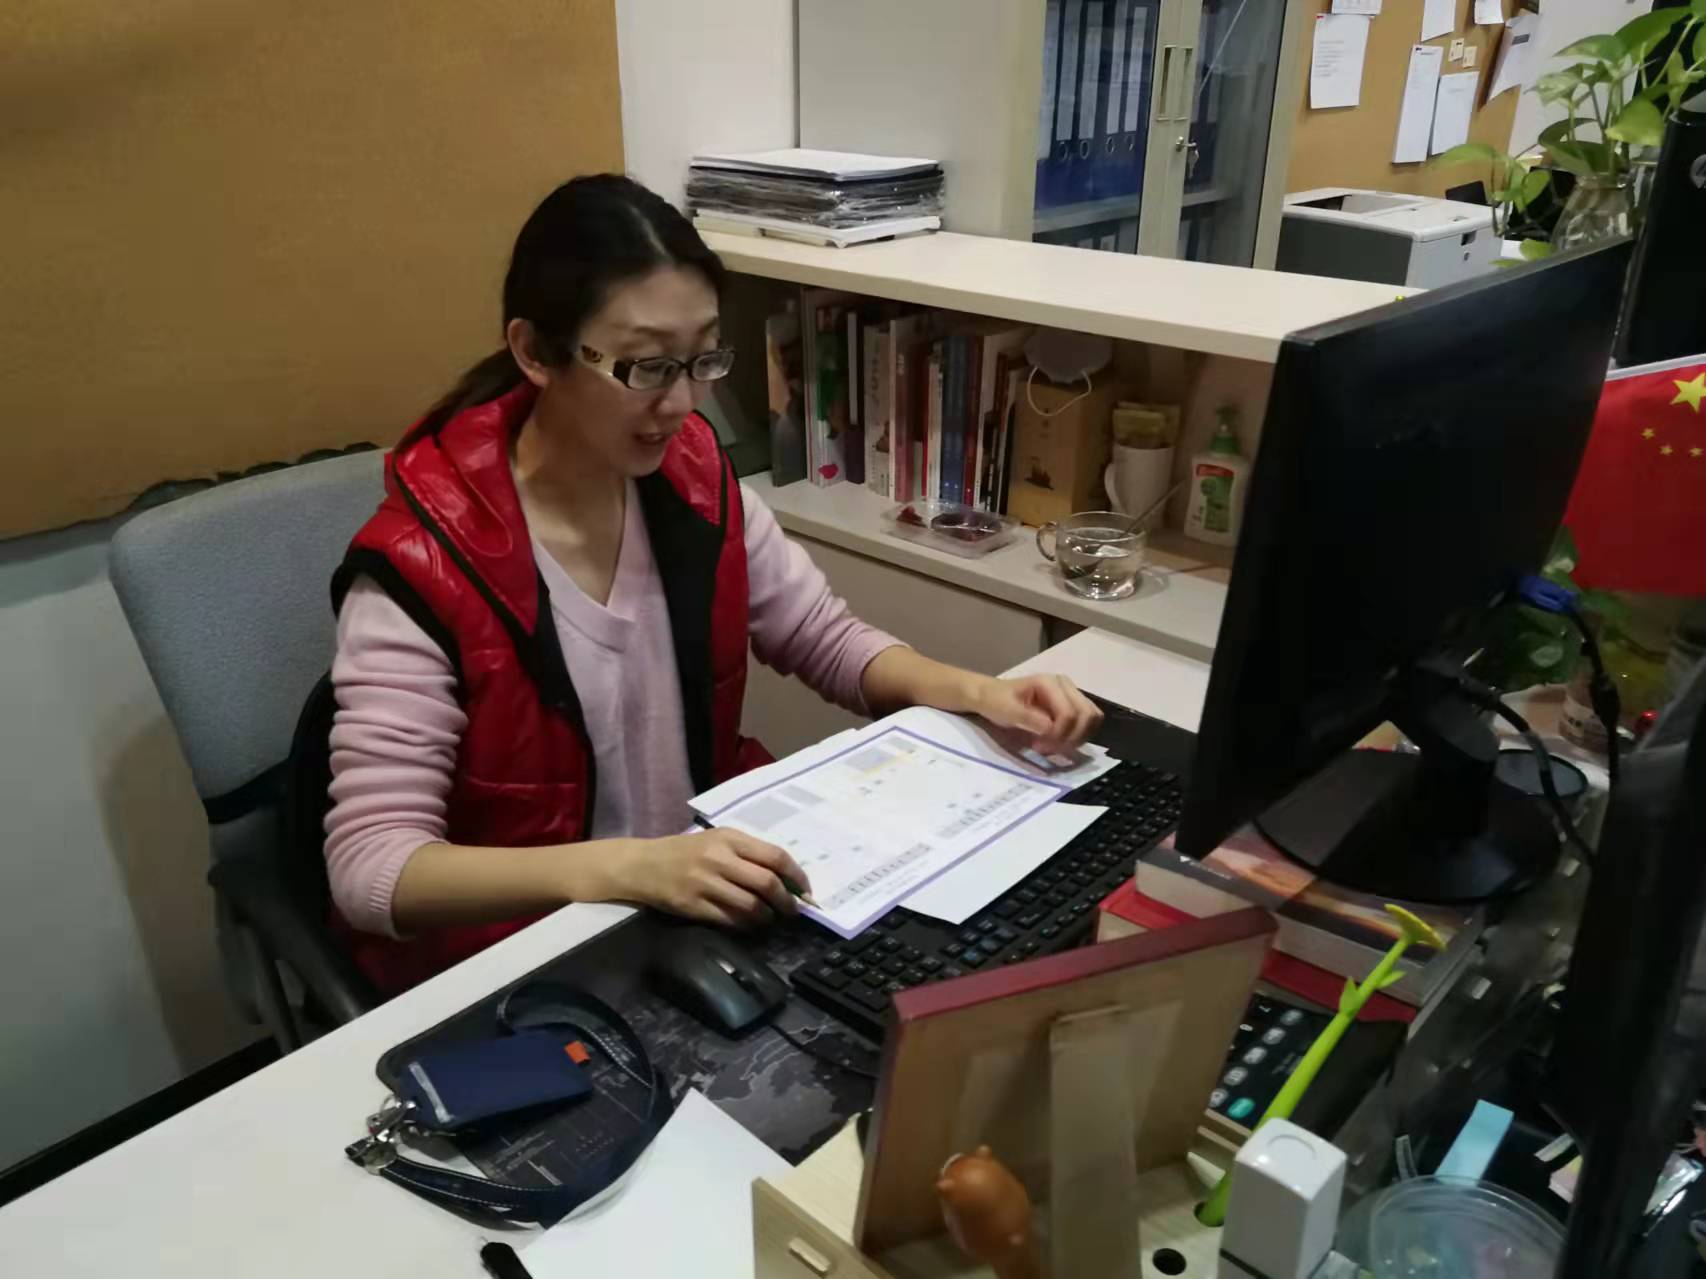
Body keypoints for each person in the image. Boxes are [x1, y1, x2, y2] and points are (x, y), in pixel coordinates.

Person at [325, 175, 1103, 993]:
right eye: (647, 366)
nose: (682, 402)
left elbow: (823, 637)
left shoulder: (692, 477)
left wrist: (979, 694)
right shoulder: (422, 565)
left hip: (691, 905)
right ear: (534, 352)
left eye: (702, 359)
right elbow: (374, 868)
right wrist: (633, 867)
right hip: (529, 954)